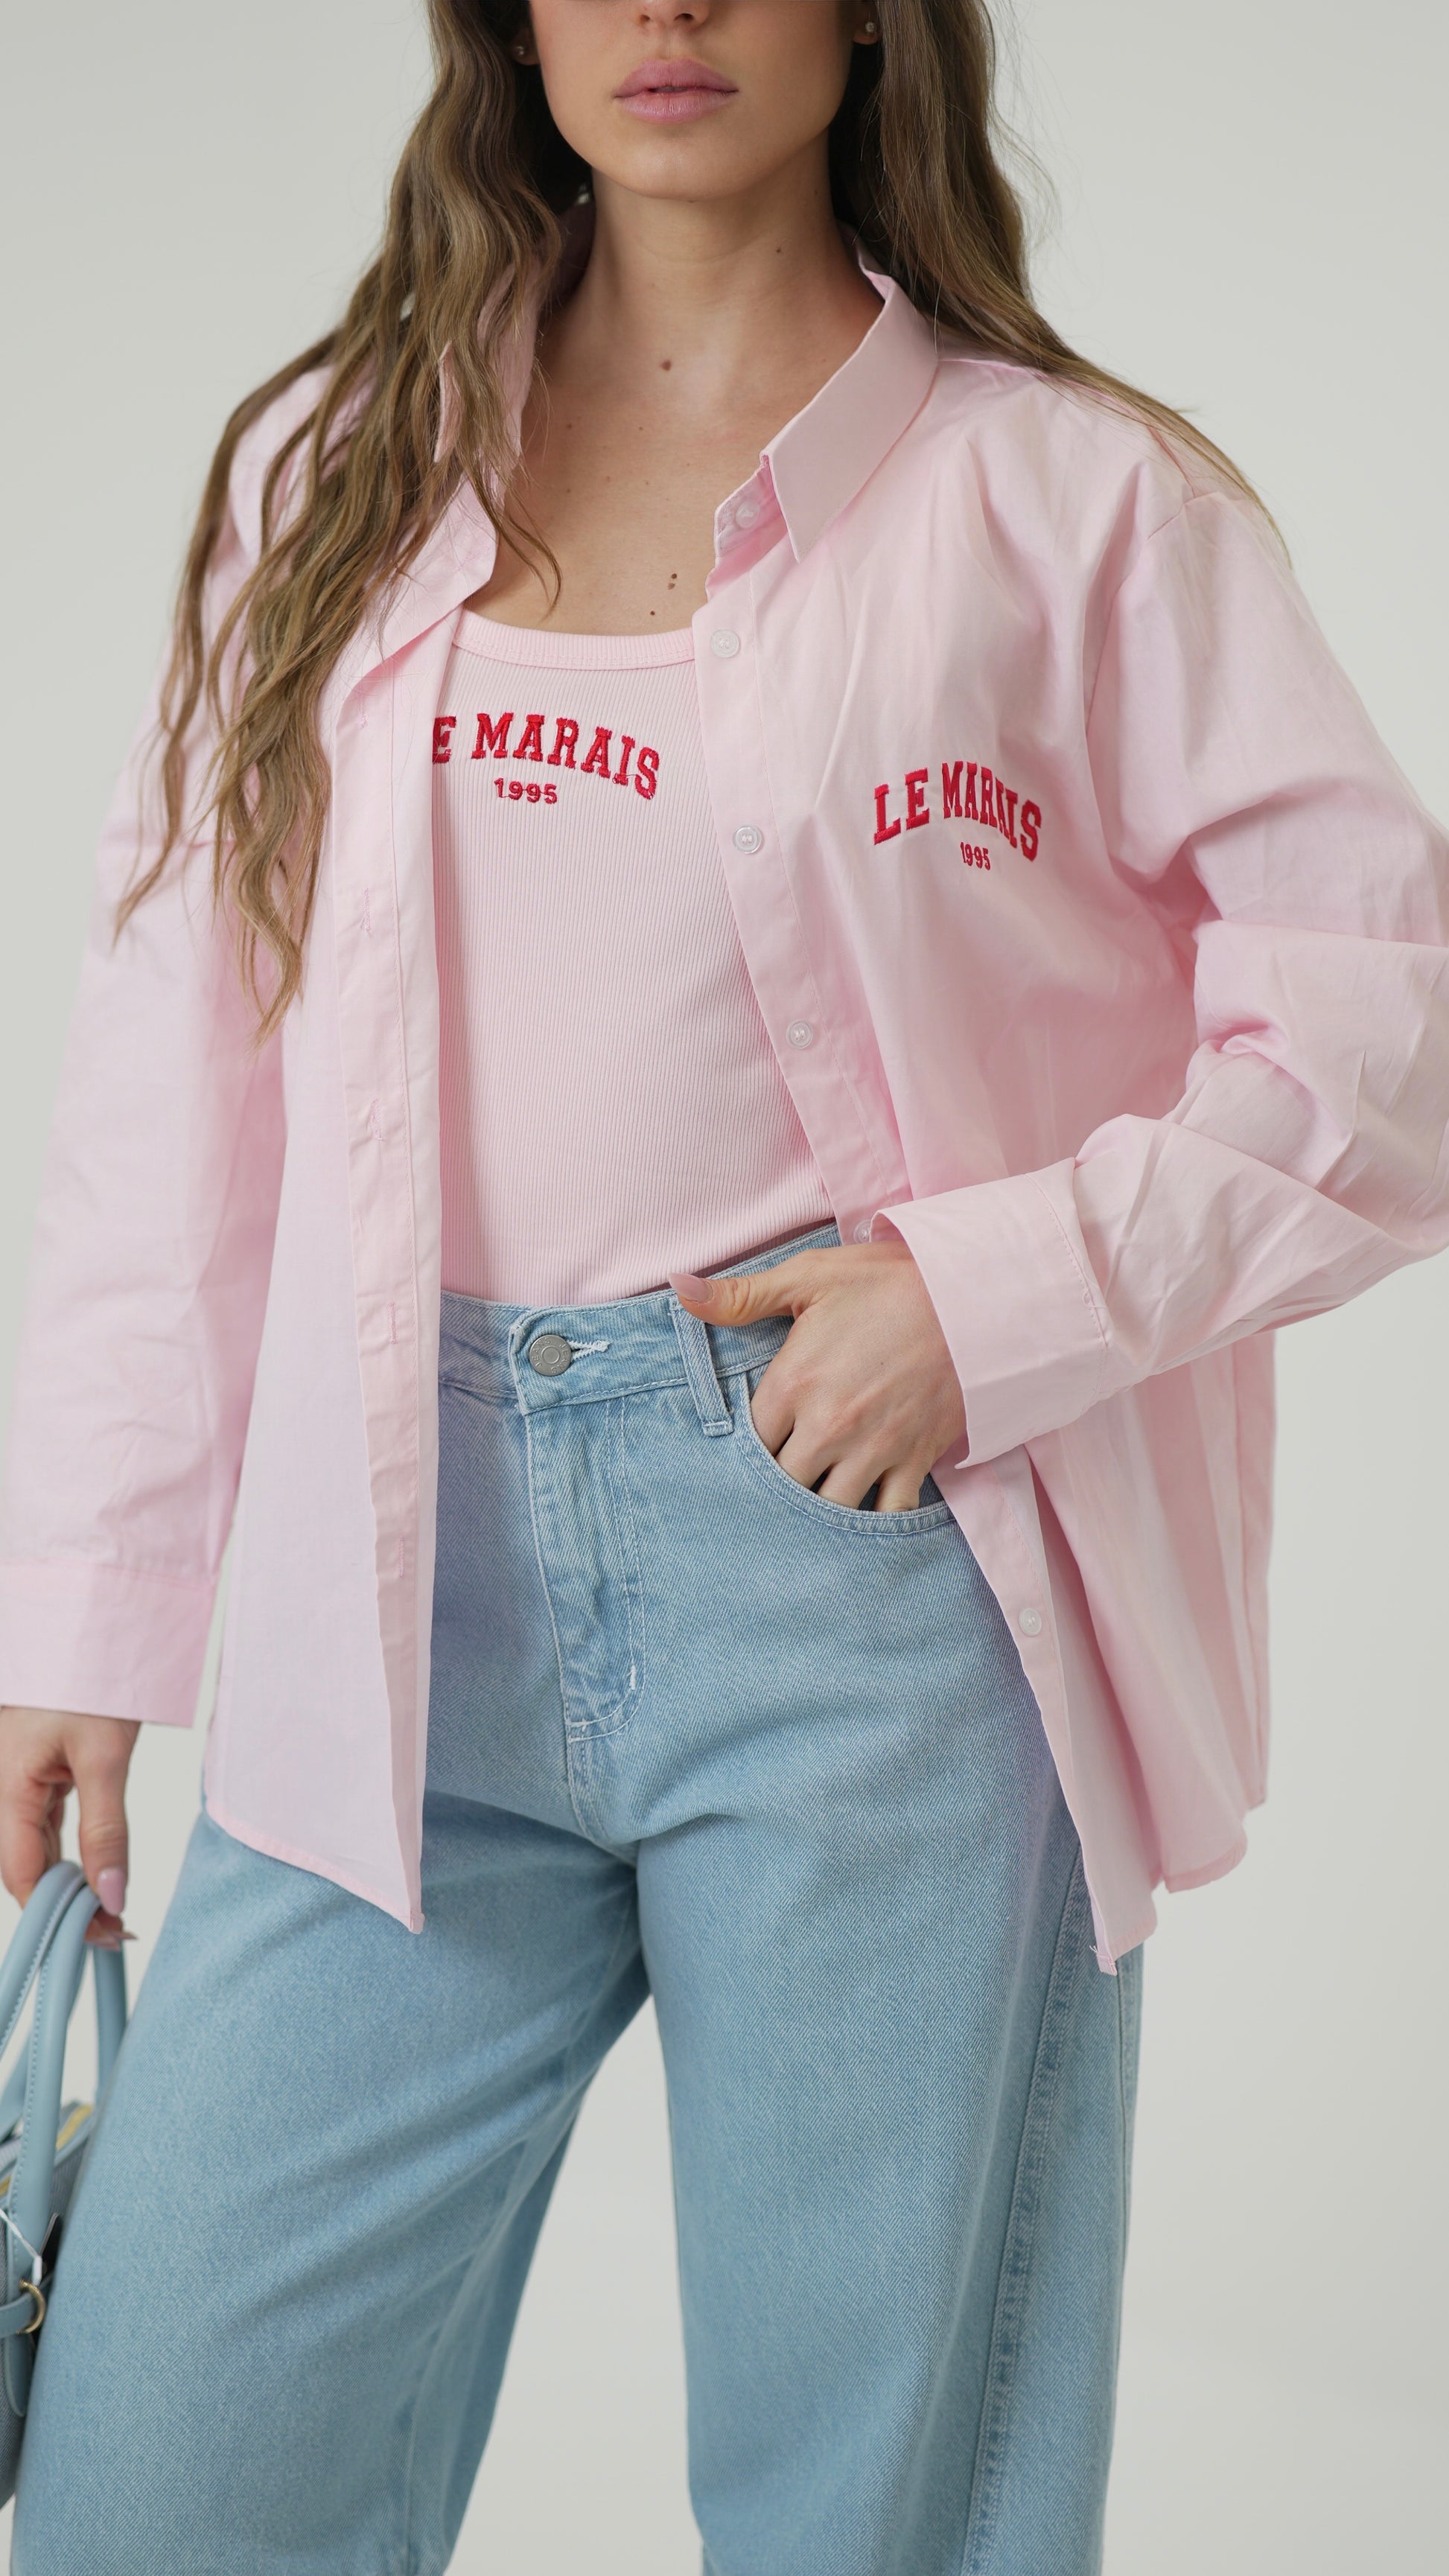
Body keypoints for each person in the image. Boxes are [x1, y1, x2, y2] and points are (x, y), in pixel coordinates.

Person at [1, 1, 1446, 2568]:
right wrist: (79, 1608)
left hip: (876, 1593)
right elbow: (174, 1064)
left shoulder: (1067, 501)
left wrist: (989, 1297)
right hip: (389, 1585)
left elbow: (1385, 1023)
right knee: (156, 2496)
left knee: (860, 2520)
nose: (666, 8)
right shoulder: (332, 467)